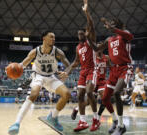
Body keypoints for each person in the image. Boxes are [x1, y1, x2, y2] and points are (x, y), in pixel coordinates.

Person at [8, 30, 71, 135]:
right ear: (44, 38)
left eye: (54, 37)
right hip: (38, 76)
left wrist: (66, 72)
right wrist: (13, 70)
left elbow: (69, 65)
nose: (53, 39)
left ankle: (53, 117)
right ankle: (16, 123)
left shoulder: (57, 52)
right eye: (51, 37)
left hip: (51, 77)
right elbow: (22, 65)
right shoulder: (35, 51)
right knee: (34, 94)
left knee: (67, 94)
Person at [89, 17, 134, 135]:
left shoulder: (125, 34)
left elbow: (130, 37)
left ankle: (121, 125)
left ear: (119, 25)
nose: (111, 25)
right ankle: (115, 120)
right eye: (110, 24)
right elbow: (96, 48)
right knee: (104, 99)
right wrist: (88, 37)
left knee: (117, 92)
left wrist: (112, 28)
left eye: (114, 24)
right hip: (115, 70)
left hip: (125, 67)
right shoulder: (109, 39)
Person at [65, 0, 100, 132]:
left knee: (90, 92)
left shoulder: (90, 40)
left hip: (92, 70)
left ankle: (96, 120)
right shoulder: (77, 47)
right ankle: (83, 122)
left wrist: (86, 11)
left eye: (82, 33)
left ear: (85, 34)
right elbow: (75, 62)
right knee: (80, 96)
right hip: (83, 71)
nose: (80, 35)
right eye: (78, 34)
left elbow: (91, 24)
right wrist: (67, 71)